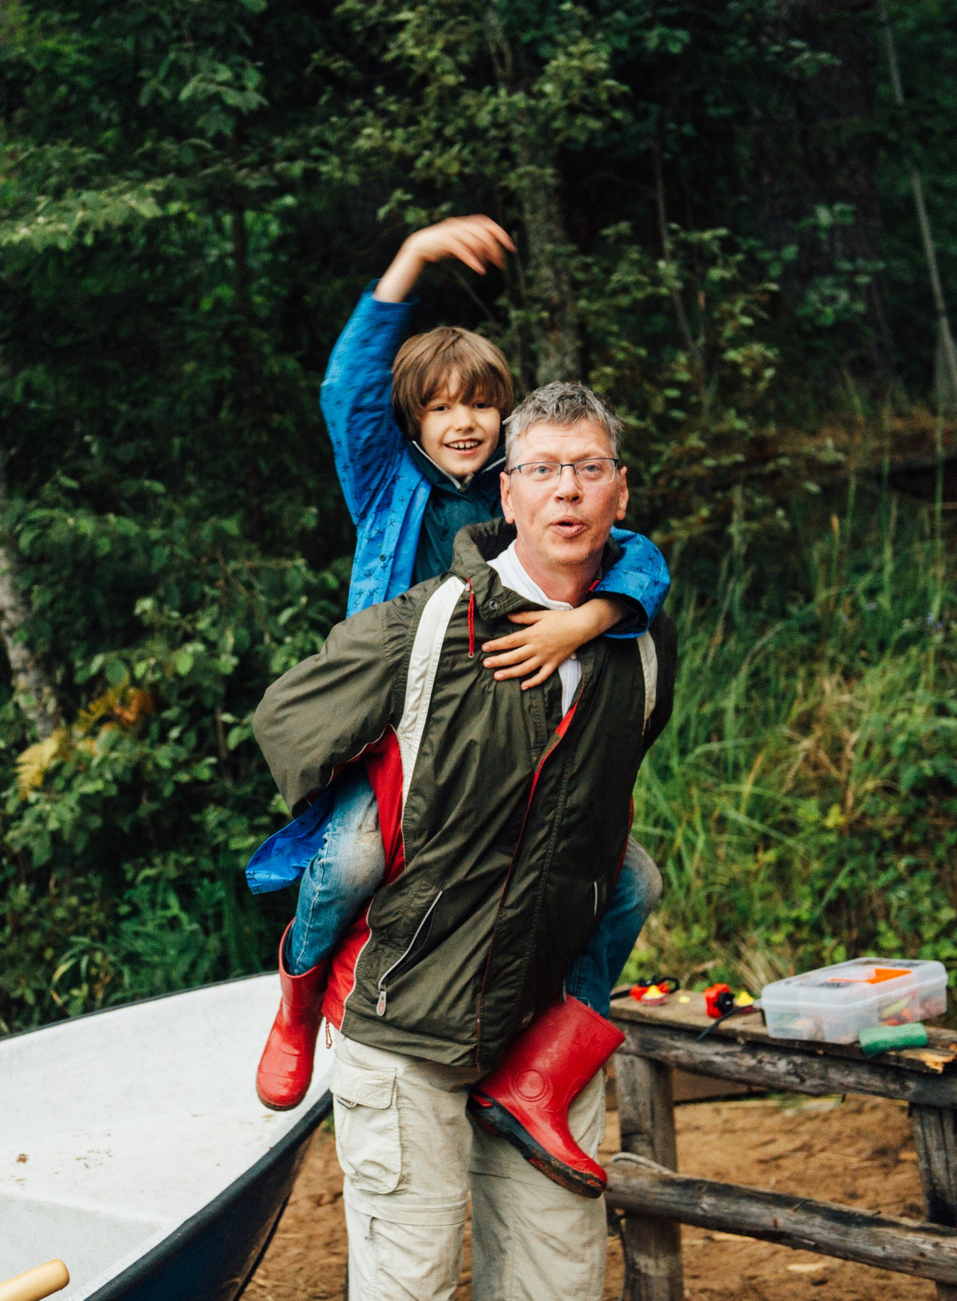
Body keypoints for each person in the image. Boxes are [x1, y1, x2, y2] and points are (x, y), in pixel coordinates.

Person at [248, 218, 670, 1177]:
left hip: (518, 740)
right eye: (442, 407)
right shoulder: (389, 484)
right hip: (413, 730)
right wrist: (414, 256)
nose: (465, 420)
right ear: (413, 421)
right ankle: (300, 992)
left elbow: (640, 553)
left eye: (482, 401)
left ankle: (553, 1047)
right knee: (352, 858)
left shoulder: (529, 490)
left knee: (632, 883)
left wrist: (588, 618)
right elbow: (344, 388)